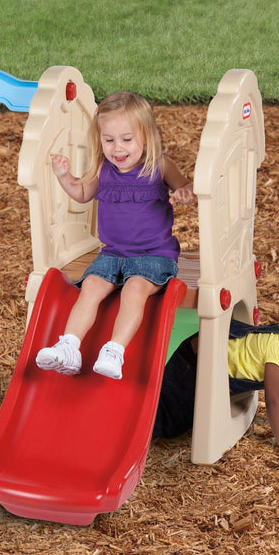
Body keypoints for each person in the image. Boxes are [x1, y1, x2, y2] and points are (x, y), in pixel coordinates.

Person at [35, 91, 196, 380]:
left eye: (127, 139)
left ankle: (114, 350)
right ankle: (69, 346)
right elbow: (82, 193)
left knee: (134, 289)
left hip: (154, 256)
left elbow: (185, 186)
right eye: (109, 140)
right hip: (112, 254)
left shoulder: (159, 166)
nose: (117, 148)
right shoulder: (102, 169)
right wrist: (63, 176)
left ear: (146, 136)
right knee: (91, 286)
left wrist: (185, 192)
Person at [153, 271, 279, 458]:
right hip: (194, 363)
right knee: (170, 421)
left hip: (208, 363)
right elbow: (273, 399)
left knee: (183, 417)